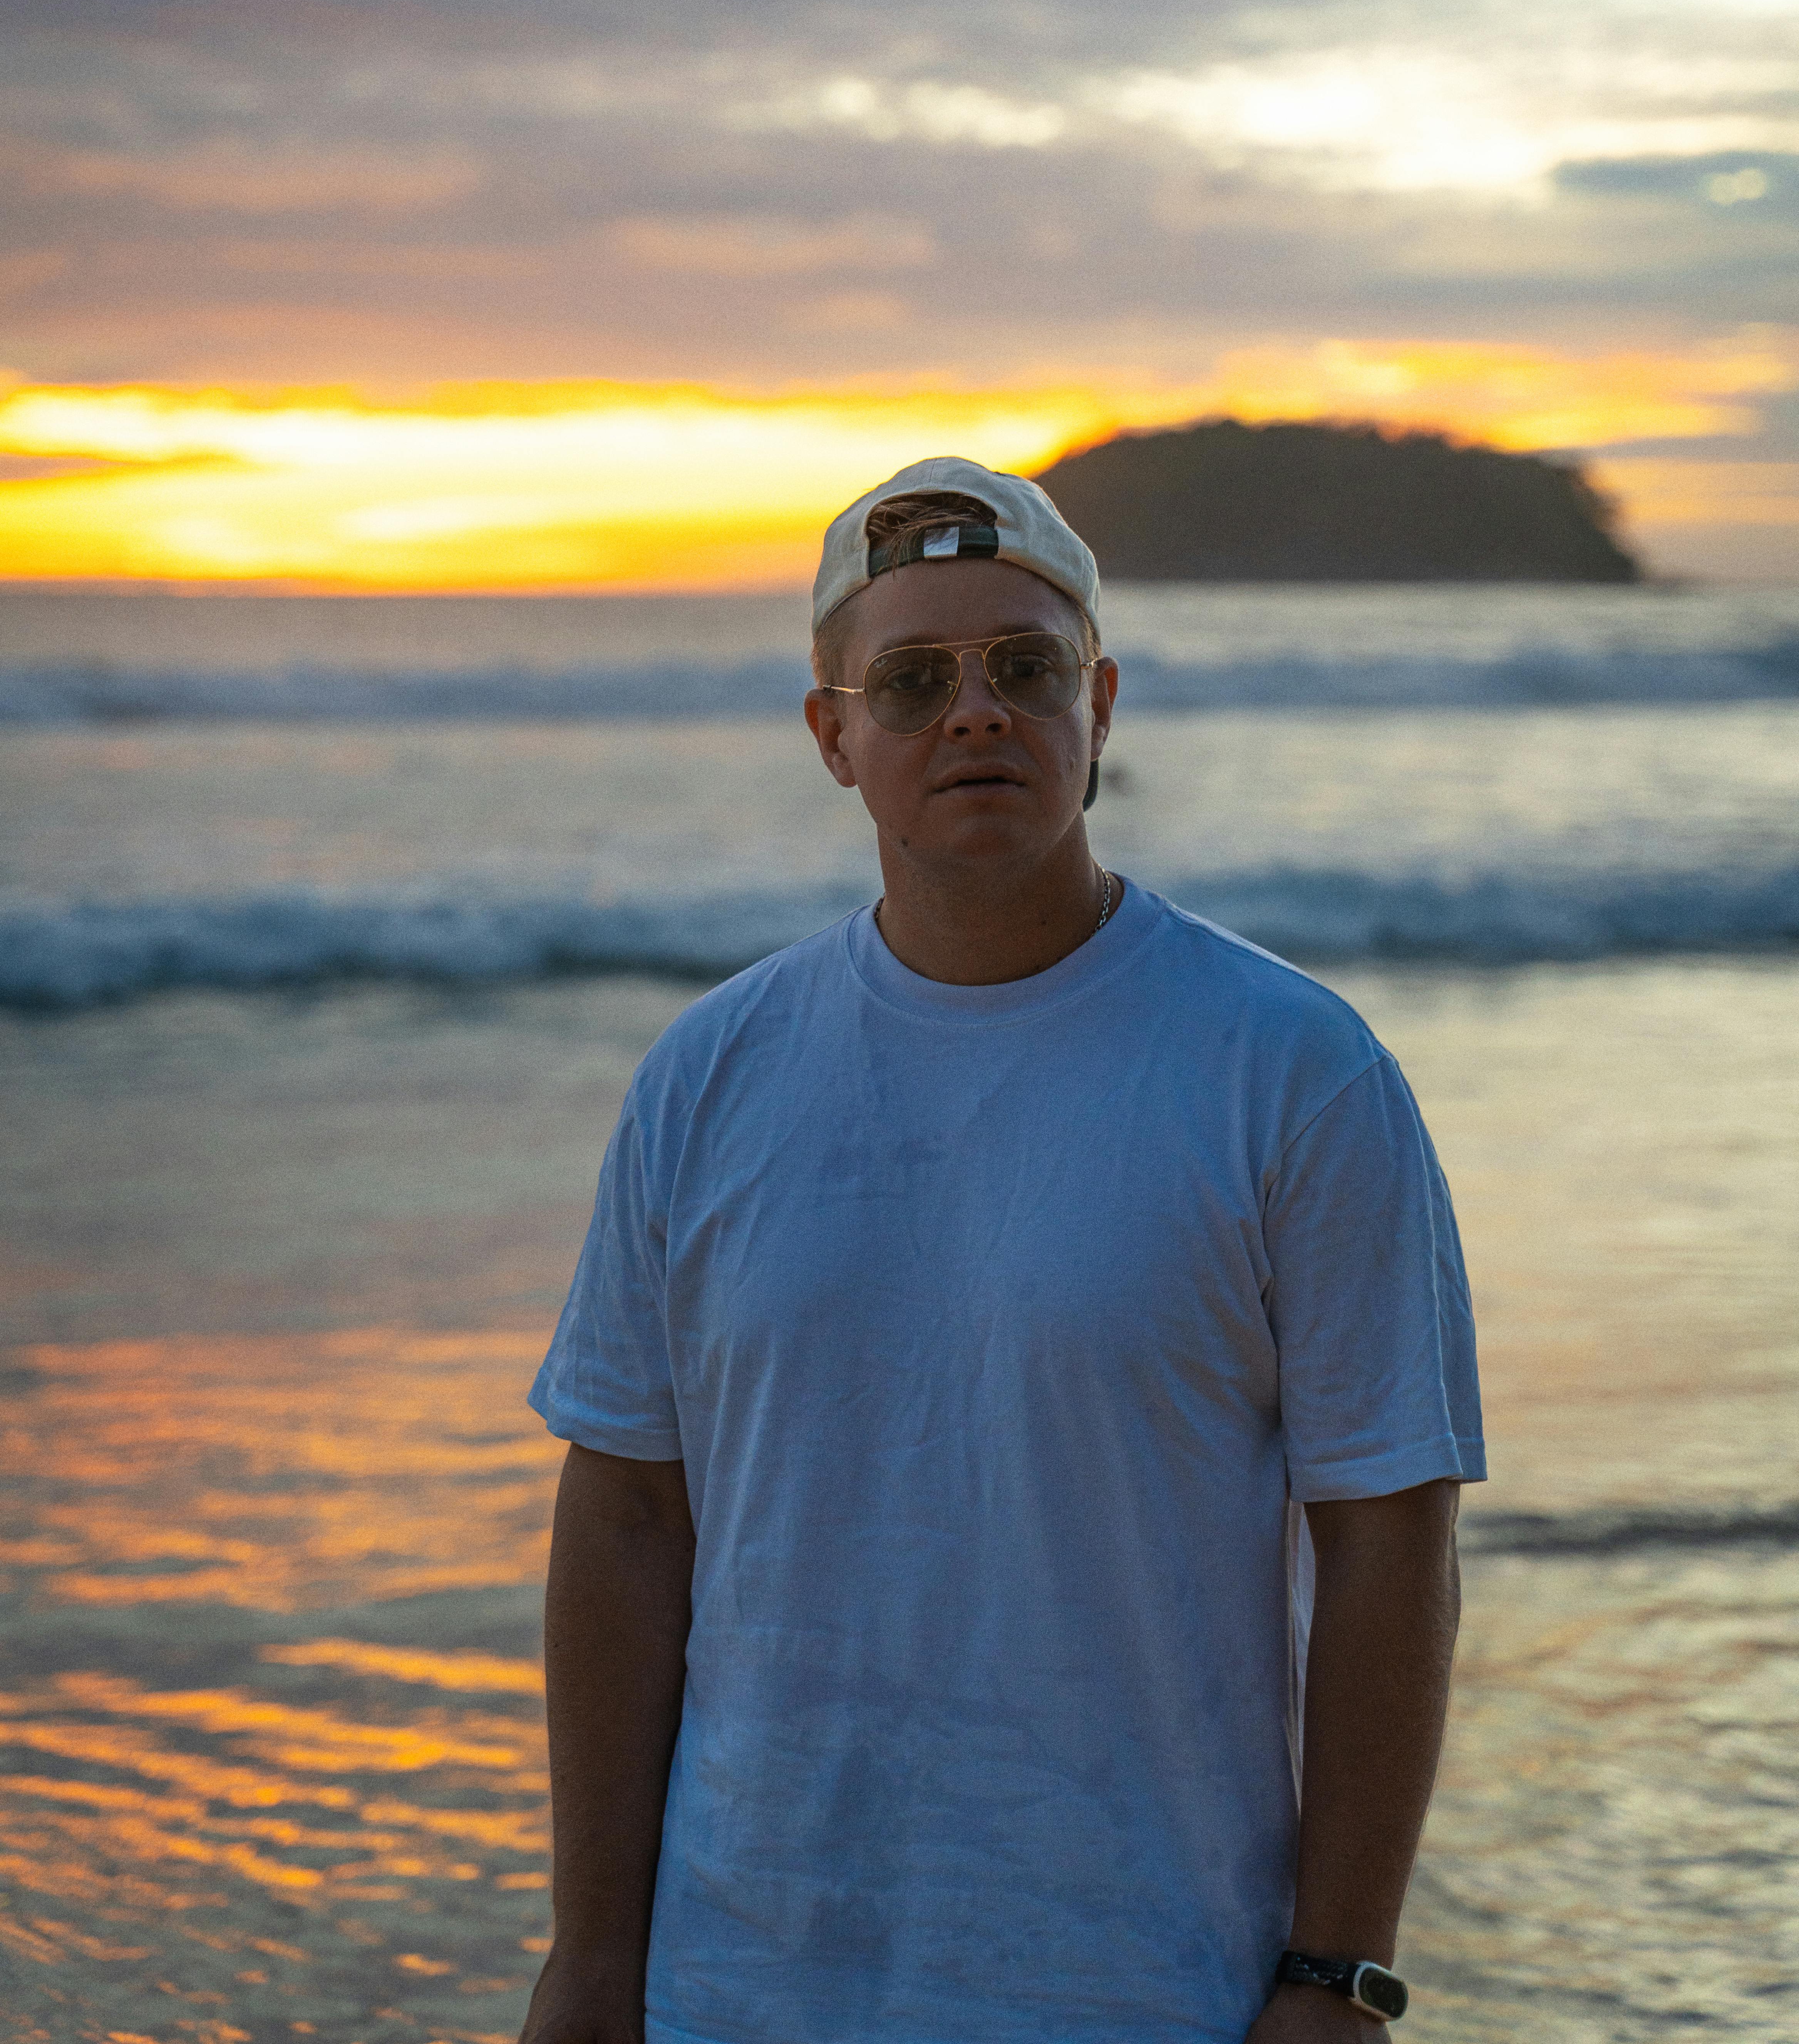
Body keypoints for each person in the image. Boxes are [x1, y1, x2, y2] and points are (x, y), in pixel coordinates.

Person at [522, 457, 1484, 2044]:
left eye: (1022, 670)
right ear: (835, 737)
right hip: (742, 1983)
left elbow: (1391, 1540)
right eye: (912, 682)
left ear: (1096, 705)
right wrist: (592, 1956)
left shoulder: (1292, 1069)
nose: (976, 714)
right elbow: (627, 1513)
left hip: (1145, 1985)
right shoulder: (710, 1074)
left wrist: (1337, 1976)